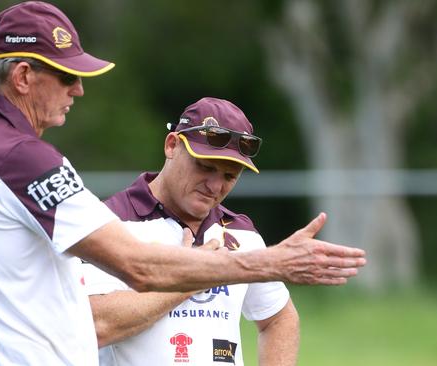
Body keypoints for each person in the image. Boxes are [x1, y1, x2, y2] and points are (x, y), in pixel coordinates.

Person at [0, 2, 366, 365]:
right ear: (24, 77)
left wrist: (6, 326)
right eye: (68, 76)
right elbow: (140, 269)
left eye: (228, 173)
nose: (79, 89)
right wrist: (272, 262)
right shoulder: (24, 159)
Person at [84, 97, 299, 366]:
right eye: (205, 167)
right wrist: (191, 278)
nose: (214, 186)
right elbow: (97, 324)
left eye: (229, 176)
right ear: (172, 145)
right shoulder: (108, 222)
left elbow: (279, 318)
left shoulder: (241, 234)